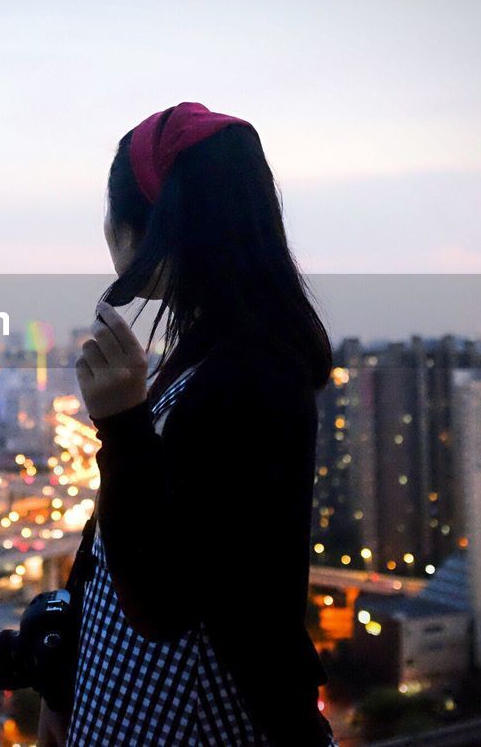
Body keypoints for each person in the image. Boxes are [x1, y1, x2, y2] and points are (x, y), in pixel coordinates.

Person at [38, 102, 338, 746]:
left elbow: (165, 598)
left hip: (194, 720)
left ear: (148, 227)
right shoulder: (217, 353)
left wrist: (121, 426)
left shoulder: (248, 372)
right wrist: (65, 688)